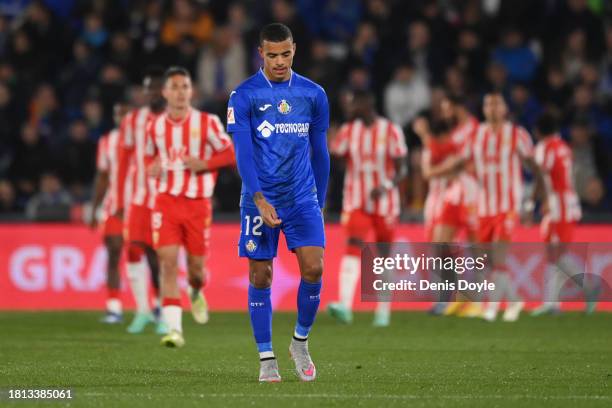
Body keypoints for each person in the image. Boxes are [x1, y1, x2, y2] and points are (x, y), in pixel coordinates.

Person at [227, 23, 330, 382]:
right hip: (260, 198)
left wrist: (321, 198)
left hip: (302, 196)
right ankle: (266, 357)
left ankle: (300, 342)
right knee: (260, 274)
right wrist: (257, 197)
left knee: (314, 268)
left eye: (286, 53)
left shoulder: (313, 94)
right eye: (272, 55)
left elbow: (320, 151)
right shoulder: (243, 96)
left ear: (294, 50)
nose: (280, 61)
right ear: (261, 54)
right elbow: (242, 154)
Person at [428, 92, 543, 322]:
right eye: (487, 103)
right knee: (489, 261)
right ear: (483, 109)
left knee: (498, 260)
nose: (491, 108)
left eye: (496, 103)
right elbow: (460, 162)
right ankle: (513, 302)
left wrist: (534, 202)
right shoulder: (477, 136)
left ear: (504, 109)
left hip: (508, 206)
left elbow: (535, 168)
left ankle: (490, 308)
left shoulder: (517, 135)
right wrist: (433, 172)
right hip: (483, 208)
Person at [147, 66, 236, 347]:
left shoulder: (207, 123)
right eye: (174, 87)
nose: (180, 92)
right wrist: (154, 167)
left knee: (196, 269)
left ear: (191, 91)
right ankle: (174, 329)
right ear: (165, 93)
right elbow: (153, 159)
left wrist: (205, 164)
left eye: (184, 86)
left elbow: (230, 152)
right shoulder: (155, 127)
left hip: (198, 204)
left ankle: (196, 291)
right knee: (168, 264)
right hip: (166, 202)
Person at [326, 89, 408, 327]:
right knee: (353, 247)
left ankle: (383, 310)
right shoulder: (349, 131)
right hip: (357, 200)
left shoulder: (391, 130)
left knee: (383, 257)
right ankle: (345, 306)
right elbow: (335, 156)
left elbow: (402, 168)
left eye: (354, 104)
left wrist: (386, 185)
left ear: (367, 103)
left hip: (385, 203)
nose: (350, 108)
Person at [117, 67, 166, 335]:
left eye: (160, 88)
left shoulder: (176, 120)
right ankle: (142, 310)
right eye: (151, 88)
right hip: (137, 197)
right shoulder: (131, 121)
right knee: (133, 250)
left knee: (160, 255)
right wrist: (118, 198)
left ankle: (161, 308)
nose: (155, 93)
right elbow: (124, 162)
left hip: (165, 198)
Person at [528, 112, 592, 315]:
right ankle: (552, 304)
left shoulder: (544, 148)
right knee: (553, 254)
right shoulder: (564, 147)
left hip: (557, 205)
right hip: (566, 204)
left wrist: (533, 202)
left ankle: (590, 288)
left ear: (538, 131)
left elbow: (540, 175)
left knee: (557, 254)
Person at [89, 102, 131, 323]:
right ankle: (114, 306)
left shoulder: (148, 140)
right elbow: (103, 177)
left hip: (141, 207)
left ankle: (155, 307)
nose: (121, 117)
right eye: (117, 113)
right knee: (114, 253)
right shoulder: (107, 142)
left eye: (124, 113)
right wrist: (94, 208)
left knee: (149, 257)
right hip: (114, 208)